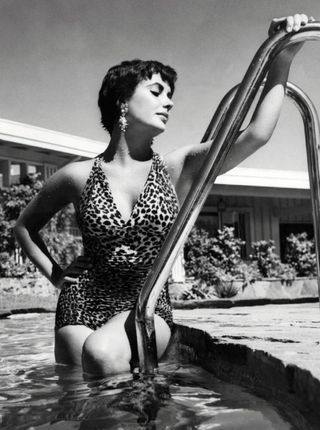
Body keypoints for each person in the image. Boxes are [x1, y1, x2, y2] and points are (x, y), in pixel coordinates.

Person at [14, 14, 313, 376]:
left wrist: (281, 59)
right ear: (122, 102)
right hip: (80, 305)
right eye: (157, 92)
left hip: (145, 304)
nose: (168, 102)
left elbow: (256, 135)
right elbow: (25, 228)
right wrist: (58, 276)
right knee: (82, 404)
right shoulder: (76, 176)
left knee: (101, 355)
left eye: (170, 95)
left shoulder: (178, 167)